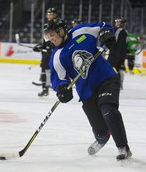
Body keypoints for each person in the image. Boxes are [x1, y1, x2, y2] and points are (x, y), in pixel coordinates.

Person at [44, 18, 132, 161]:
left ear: (61, 31)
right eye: (48, 36)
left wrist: (106, 34)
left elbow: (103, 26)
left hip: (106, 78)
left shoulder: (81, 32)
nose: (50, 39)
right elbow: (60, 79)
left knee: (108, 110)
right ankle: (102, 138)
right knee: (100, 128)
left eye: (52, 34)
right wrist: (62, 89)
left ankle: (123, 147)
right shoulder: (56, 57)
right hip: (86, 90)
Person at [33, 7, 58, 97]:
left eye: (51, 14)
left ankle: (53, 87)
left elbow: (58, 38)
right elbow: (46, 40)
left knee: (50, 71)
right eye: (48, 14)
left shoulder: (57, 24)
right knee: (44, 69)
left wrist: (51, 46)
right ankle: (45, 88)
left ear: (55, 15)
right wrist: (40, 46)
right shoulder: (47, 25)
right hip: (46, 52)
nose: (49, 15)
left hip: (53, 51)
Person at [107, 17, 129, 89]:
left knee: (107, 67)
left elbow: (114, 41)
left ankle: (107, 83)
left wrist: (107, 47)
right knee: (118, 69)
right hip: (122, 55)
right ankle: (120, 84)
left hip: (114, 54)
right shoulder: (126, 32)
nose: (116, 23)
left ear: (121, 24)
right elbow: (127, 43)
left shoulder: (117, 31)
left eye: (118, 22)